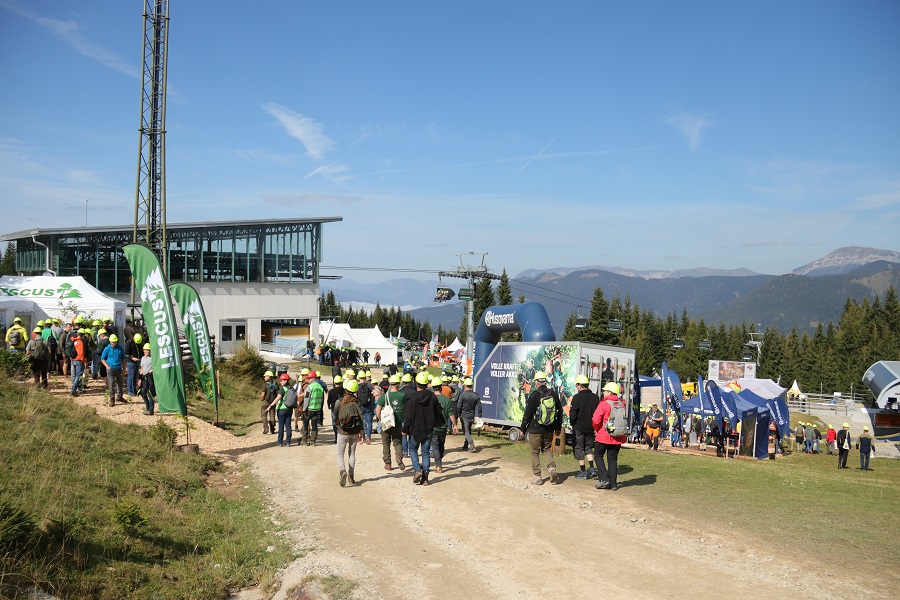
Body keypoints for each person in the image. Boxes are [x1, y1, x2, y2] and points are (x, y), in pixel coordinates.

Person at [518, 371, 563, 486]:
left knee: (534, 452)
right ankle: (552, 468)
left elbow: (527, 414)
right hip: (549, 428)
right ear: (545, 381)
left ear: (536, 382)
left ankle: (537, 477)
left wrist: (523, 429)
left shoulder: (534, 395)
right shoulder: (553, 394)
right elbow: (560, 411)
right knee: (546, 449)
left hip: (535, 429)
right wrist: (557, 427)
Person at [402, 371, 444, 486]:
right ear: (427, 384)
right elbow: (438, 411)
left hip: (415, 430)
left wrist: (405, 429)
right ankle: (425, 478)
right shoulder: (432, 396)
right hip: (428, 430)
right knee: (425, 452)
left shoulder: (412, 398)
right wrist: (439, 423)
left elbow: (408, 416)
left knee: (413, 449)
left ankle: (417, 470)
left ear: (416, 383)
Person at [592, 382, 627, 491]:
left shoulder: (604, 404)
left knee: (597, 455)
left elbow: (596, 419)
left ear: (610, 392)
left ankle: (604, 479)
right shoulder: (621, 404)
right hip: (618, 436)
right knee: (612, 460)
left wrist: (596, 429)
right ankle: (614, 484)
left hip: (604, 435)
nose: (603, 392)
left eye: (605, 391)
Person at [568, 374, 599, 479]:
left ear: (580, 386)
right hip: (591, 427)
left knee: (579, 447)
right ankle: (592, 468)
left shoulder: (577, 398)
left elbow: (573, 413)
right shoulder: (595, 397)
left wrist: (572, 424)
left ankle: (582, 471)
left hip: (579, 427)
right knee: (589, 447)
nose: (576, 387)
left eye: (577, 385)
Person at [336, 378, 364, 486]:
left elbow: (335, 415)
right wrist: (362, 433)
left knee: (340, 453)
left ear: (345, 389)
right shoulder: (357, 403)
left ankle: (342, 470)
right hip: (355, 432)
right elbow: (360, 419)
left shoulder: (339, 401)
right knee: (352, 453)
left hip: (342, 431)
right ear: (356, 391)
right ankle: (351, 477)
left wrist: (337, 426)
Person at [377, 374, 406, 471]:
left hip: (386, 424)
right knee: (397, 442)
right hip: (397, 424)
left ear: (390, 384)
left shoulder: (384, 396)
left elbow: (377, 410)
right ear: (398, 384)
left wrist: (380, 420)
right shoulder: (402, 396)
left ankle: (388, 464)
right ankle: (398, 456)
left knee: (386, 443)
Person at [430, 376, 457, 474]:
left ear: (433, 388)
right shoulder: (446, 399)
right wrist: (455, 425)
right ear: (441, 387)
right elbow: (451, 413)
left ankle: (438, 465)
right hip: (443, 427)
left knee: (435, 446)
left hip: (433, 427)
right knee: (441, 445)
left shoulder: (430, 398)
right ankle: (439, 462)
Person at [455, 377, 482, 452]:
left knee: (466, 431)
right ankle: (465, 445)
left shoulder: (462, 395)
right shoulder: (476, 395)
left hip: (464, 416)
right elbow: (479, 406)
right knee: (468, 430)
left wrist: (458, 414)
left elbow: (459, 406)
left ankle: (472, 445)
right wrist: (480, 415)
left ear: (465, 385)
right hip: (471, 416)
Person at [266, 373, 294, 447]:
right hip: (289, 409)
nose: (280, 382)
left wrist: (270, 405)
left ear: (285, 380)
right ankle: (288, 442)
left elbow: (278, 398)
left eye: (281, 380)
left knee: (281, 426)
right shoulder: (291, 388)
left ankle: (280, 442)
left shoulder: (283, 389)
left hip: (281, 409)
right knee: (288, 426)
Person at [101, 334, 127, 406]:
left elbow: (123, 358)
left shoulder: (120, 348)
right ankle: (112, 399)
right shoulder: (107, 349)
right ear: (110, 342)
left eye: (115, 342)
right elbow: (102, 359)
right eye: (113, 342)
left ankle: (119, 396)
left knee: (120, 383)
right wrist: (107, 367)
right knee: (111, 384)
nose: (114, 343)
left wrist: (124, 368)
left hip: (118, 368)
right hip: (110, 368)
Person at [301, 371, 325, 446]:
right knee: (314, 425)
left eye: (309, 378)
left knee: (305, 424)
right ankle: (313, 441)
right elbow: (322, 399)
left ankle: (304, 440)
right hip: (317, 409)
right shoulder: (320, 387)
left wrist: (304, 409)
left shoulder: (309, 387)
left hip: (309, 409)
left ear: (313, 378)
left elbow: (306, 399)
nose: (308, 380)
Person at [357, 370, 376, 445]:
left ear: (359, 378)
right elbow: (376, 393)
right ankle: (368, 437)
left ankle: (363, 437)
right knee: (369, 422)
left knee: (362, 421)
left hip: (360, 406)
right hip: (368, 405)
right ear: (365, 377)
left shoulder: (357, 386)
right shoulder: (369, 385)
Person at [124, 332, 143, 398]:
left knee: (135, 376)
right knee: (131, 376)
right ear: (134, 339)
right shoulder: (129, 343)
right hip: (131, 362)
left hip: (137, 361)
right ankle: (130, 390)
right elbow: (126, 354)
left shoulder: (138, 343)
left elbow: (140, 352)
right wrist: (132, 358)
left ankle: (134, 390)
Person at [69, 329, 87, 396]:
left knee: (78, 376)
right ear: (82, 335)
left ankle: (80, 389)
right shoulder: (80, 342)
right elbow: (81, 353)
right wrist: (84, 361)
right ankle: (73, 390)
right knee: (78, 376)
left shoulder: (73, 340)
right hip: (79, 360)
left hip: (73, 360)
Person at [139, 343, 156, 415]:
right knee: (142, 393)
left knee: (150, 394)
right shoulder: (142, 358)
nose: (148, 351)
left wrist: (152, 370)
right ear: (144, 350)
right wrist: (140, 379)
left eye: (149, 350)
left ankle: (151, 410)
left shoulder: (153, 358)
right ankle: (147, 406)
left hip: (149, 377)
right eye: (147, 350)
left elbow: (156, 367)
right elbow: (142, 368)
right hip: (143, 377)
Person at [327, 375, 344, 443]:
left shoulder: (331, 391)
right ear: (341, 382)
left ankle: (336, 437)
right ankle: (342, 436)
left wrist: (329, 406)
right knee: (342, 422)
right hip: (342, 409)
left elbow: (329, 400)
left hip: (334, 409)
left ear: (334, 383)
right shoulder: (344, 391)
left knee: (334, 423)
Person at [260, 370, 279, 434]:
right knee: (272, 416)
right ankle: (272, 429)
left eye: (265, 376)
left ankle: (266, 428)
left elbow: (263, 394)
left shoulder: (265, 385)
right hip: (273, 402)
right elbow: (278, 394)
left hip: (265, 402)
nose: (264, 377)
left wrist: (262, 399)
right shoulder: (276, 384)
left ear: (269, 377)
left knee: (263, 415)